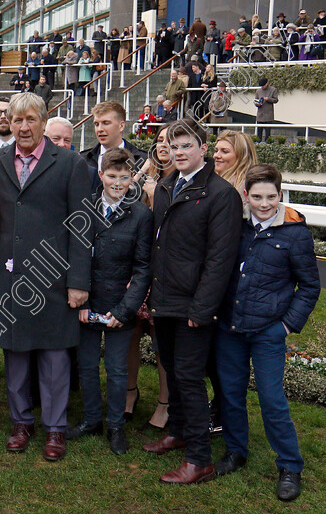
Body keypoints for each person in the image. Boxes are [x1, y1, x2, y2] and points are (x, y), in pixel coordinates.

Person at [0, 92, 91, 463]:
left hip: (54, 277)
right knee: (15, 354)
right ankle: (20, 422)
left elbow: (82, 226)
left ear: (44, 122)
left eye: (31, 119)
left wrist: (79, 281)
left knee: (55, 357)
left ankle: (56, 428)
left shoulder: (70, 163)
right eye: (17, 120)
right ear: (8, 124)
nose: (24, 127)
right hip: (9, 278)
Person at [142, 118, 242, 485]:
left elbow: (220, 259)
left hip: (194, 306)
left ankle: (199, 458)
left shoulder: (221, 195)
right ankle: (179, 430)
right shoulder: (167, 185)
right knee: (170, 367)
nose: (180, 152)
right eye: (174, 145)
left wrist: (202, 309)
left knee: (188, 376)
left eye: (187, 146)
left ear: (203, 148)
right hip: (164, 299)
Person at [214, 164, 320, 502]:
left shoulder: (295, 232)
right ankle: (235, 451)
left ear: (280, 194)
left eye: (271, 197)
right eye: (257, 196)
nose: (264, 203)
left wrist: (287, 325)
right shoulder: (235, 224)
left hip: (268, 331)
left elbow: (310, 286)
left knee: (272, 400)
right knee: (230, 394)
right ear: (246, 195)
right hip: (230, 326)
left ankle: (290, 465)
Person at [70, 149, 153, 455]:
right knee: (88, 366)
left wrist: (125, 309)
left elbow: (143, 268)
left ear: (132, 178)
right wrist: (80, 302)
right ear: (101, 175)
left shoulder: (141, 215)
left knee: (118, 371)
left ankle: (116, 425)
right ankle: (92, 419)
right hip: (88, 303)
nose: (118, 183)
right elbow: (74, 257)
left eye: (124, 177)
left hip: (120, 305)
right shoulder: (84, 209)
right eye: (112, 176)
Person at [127, 124, 175, 431]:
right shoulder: (147, 178)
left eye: (171, 142)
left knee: (162, 344)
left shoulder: (183, 183)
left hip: (165, 274)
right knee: (129, 336)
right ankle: (130, 392)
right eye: (159, 141)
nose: (163, 146)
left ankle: (165, 403)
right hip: (135, 269)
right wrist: (145, 169)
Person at [81, 102, 147, 194]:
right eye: (96, 124)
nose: (100, 129)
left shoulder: (143, 160)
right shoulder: (82, 160)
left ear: (121, 126)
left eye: (106, 123)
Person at [212, 132, 259, 200]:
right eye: (216, 151)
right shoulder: (210, 180)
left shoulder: (244, 186)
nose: (216, 155)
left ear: (241, 156)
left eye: (225, 151)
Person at [255, 78, 278, 142]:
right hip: (260, 114)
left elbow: (276, 100)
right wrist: (257, 104)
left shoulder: (273, 90)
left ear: (267, 83)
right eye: (261, 86)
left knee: (267, 132)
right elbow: (255, 100)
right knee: (259, 131)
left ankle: (267, 143)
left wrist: (268, 99)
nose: (262, 87)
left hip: (268, 114)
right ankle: (258, 143)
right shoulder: (258, 91)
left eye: (263, 85)